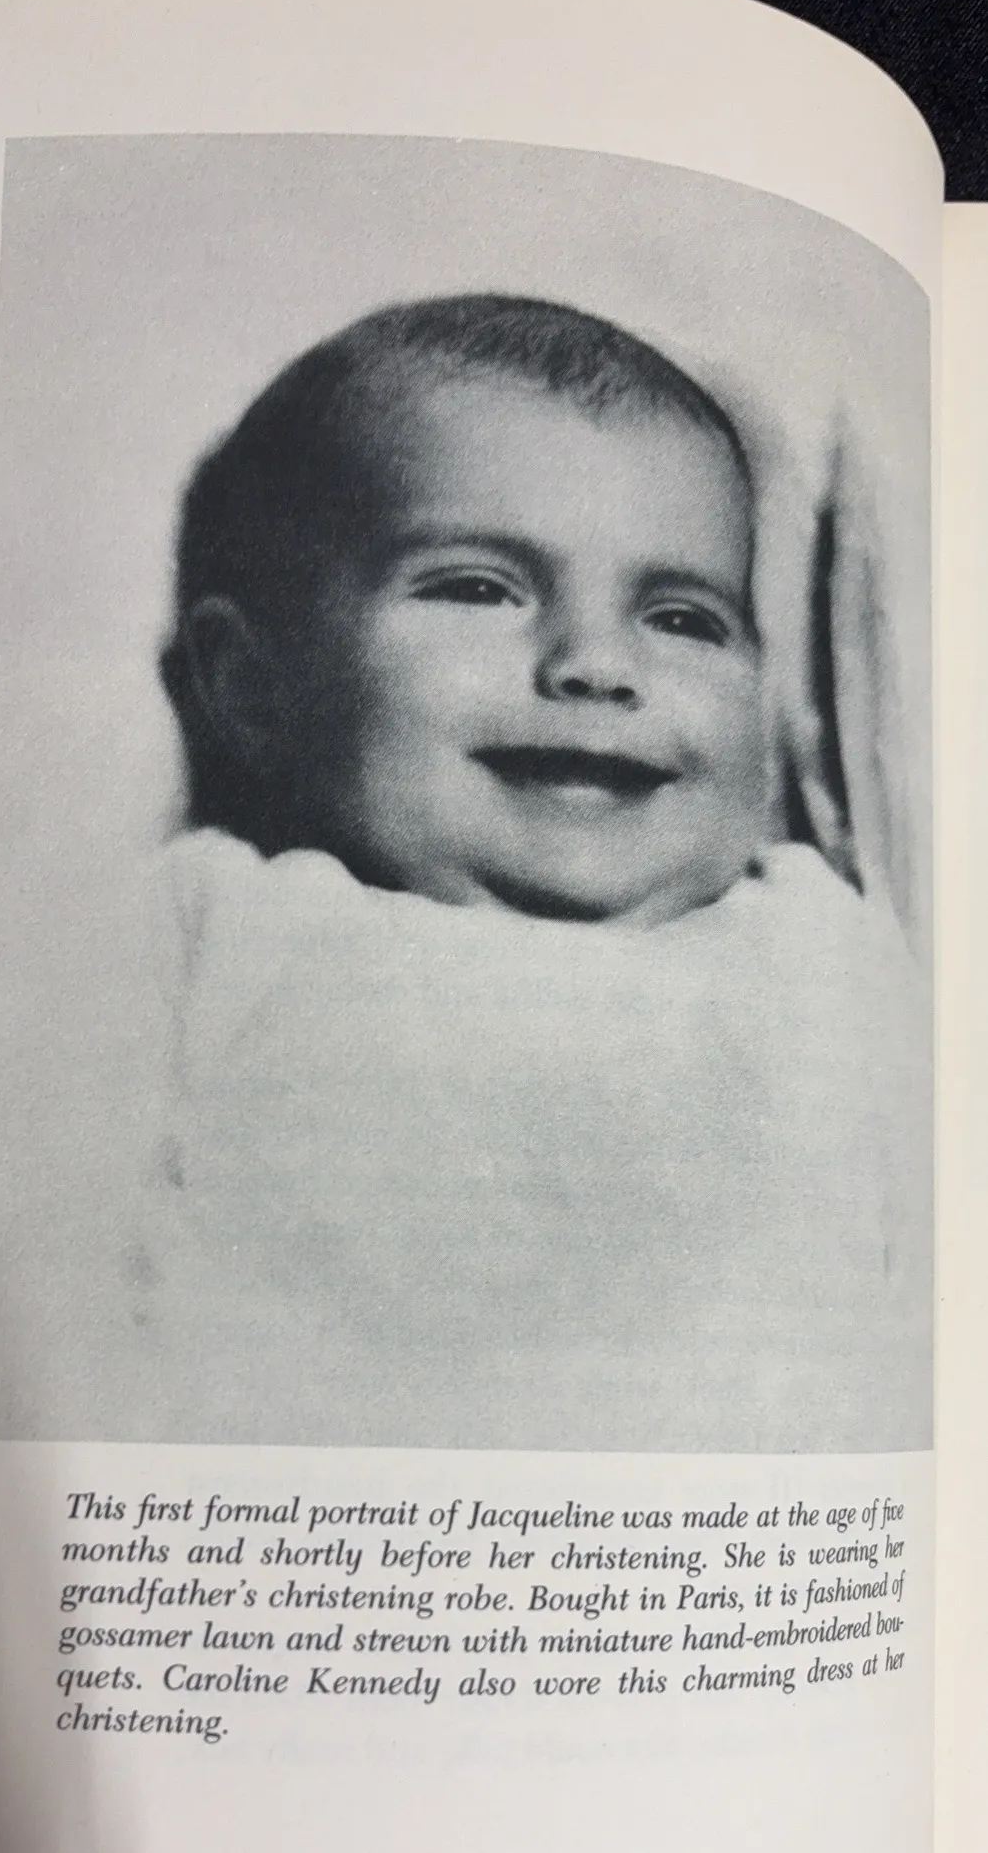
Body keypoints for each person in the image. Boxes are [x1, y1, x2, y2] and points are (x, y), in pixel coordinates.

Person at [130, 294, 929, 1453]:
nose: (596, 664)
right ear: (253, 689)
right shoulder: (215, 924)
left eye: (683, 617)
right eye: (478, 587)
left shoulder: (818, 949)